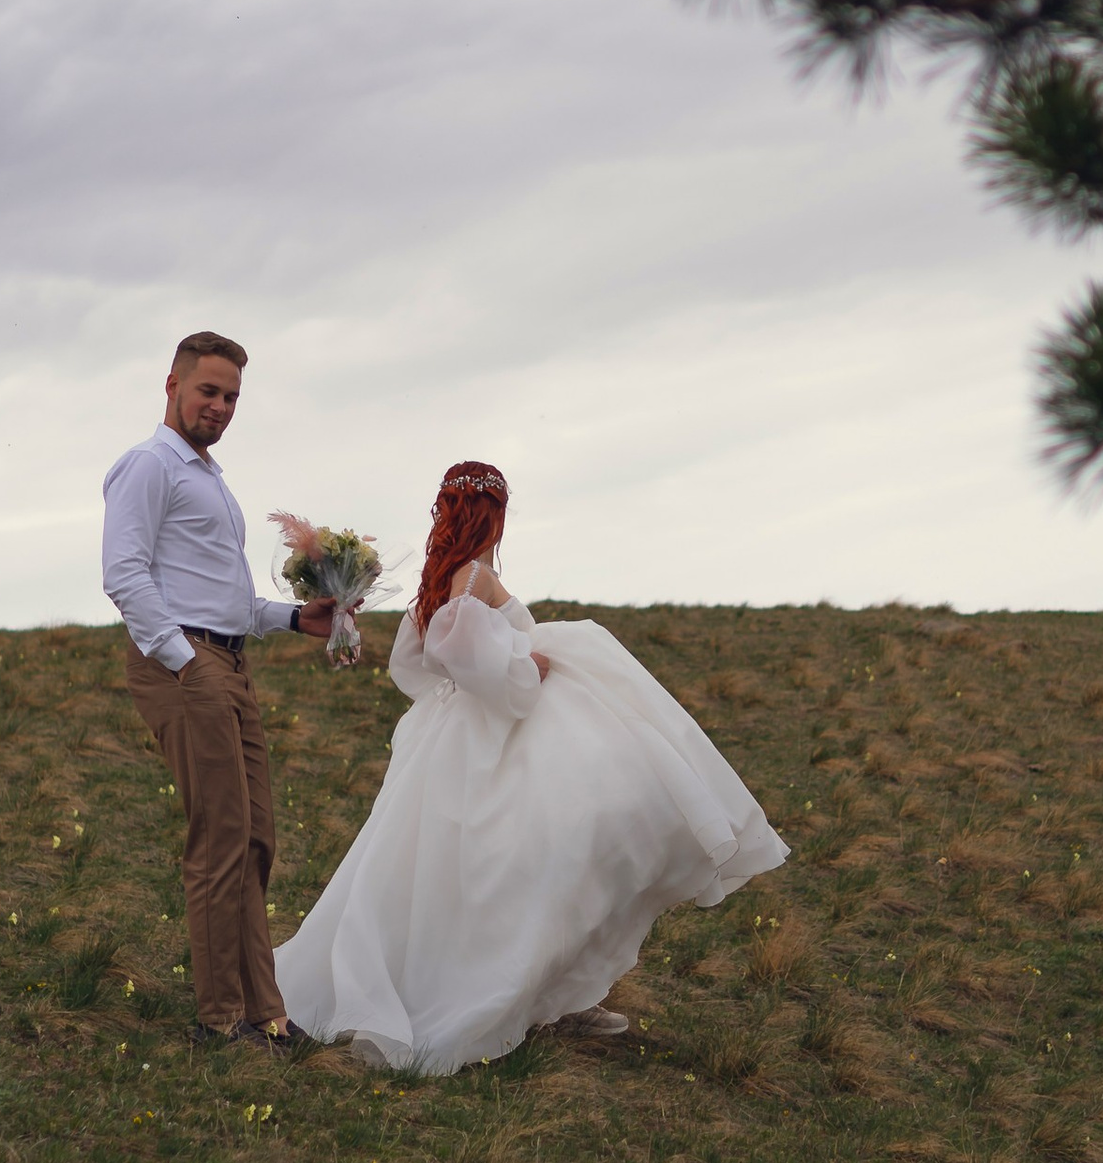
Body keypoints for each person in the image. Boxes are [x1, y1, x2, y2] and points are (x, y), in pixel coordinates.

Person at [274, 459, 788, 1072]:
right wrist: (524, 670)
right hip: (493, 732)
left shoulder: (438, 580)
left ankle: (550, 993)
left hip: (450, 736)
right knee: (546, 861)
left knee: (457, 871)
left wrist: (481, 675)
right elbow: (463, 648)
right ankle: (515, 995)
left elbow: (414, 661)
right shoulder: (473, 578)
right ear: (493, 517)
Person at [102, 334, 331, 1045]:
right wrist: (184, 661)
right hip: (185, 667)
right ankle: (221, 1018)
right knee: (222, 838)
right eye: (209, 391)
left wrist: (296, 618)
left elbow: (226, 602)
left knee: (256, 838)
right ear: (171, 384)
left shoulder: (209, 478)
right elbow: (124, 575)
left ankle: (267, 1012)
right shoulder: (147, 466)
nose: (221, 406)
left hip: (227, 661)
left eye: (232, 396)